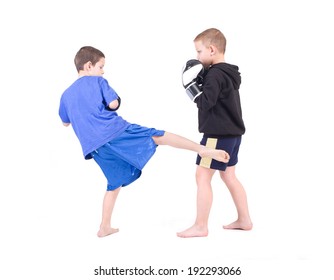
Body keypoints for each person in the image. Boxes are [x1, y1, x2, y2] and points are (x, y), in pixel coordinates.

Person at [58, 46, 230, 238]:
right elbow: (113, 104)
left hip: (95, 147)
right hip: (116, 132)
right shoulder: (98, 81)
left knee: (113, 183)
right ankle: (201, 149)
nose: (103, 71)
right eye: (101, 66)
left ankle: (104, 227)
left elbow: (65, 122)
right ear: (88, 66)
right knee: (158, 136)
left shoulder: (65, 95)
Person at [177, 28, 253, 238]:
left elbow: (205, 102)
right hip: (233, 135)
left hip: (217, 135)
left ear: (211, 49)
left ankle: (201, 226)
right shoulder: (228, 72)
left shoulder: (215, 74)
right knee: (229, 175)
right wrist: (203, 81)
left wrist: (190, 87)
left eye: (199, 51)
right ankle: (245, 219)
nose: (197, 57)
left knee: (202, 176)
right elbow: (216, 97)